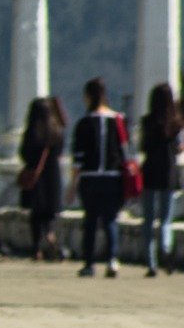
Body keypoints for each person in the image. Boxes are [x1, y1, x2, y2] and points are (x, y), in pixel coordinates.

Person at [71, 77, 130, 277]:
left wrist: (72, 184)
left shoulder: (84, 123)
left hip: (90, 179)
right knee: (110, 220)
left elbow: (78, 159)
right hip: (114, 178)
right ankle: (113, 260)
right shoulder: (119, 121)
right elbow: (125, 152)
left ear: (87, 97)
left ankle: (89, 263)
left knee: (90, 221)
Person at [139, 83, 182, 276]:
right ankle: (166, 250)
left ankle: (151, 263)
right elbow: (180, 147)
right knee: (165, 219)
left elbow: (142, 146)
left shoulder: (147, 121)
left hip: (149, 172)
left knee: (148, 220)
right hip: (169, 172)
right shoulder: (176, 123)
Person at [18, 96, 67, 262]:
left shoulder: (32, 132)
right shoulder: (56, 132)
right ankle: (50, 235)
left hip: (36, 175)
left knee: (36, 214)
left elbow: (24, 153)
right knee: (49, 214)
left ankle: (37, 248)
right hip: (52, 176)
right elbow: (60, 152)